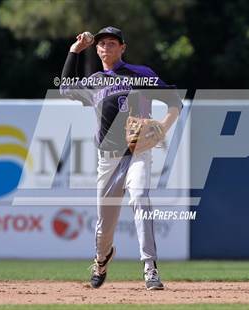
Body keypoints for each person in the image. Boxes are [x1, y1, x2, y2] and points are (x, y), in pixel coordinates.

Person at [60, 26, 181, 290]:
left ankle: (150, 269)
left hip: (137, 153)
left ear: (122, 48)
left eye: (112, 43)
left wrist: (162, 125)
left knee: (139, 198)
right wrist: (74, 51)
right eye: (102, 44)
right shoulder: (95, 81)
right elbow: (65, 89)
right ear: (97, 49)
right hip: (108, 159)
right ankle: (101, 260)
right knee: (105, 225)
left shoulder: (141, 75)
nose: (106, 48)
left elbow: (175, 102)